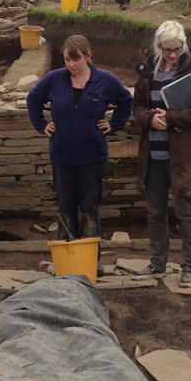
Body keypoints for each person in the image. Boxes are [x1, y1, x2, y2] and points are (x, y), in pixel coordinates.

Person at [131, 21, 191, 288]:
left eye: (177, 49)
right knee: (155, 212)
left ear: (184, 44)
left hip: (183, 155)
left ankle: (190, 267)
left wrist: (172, 118)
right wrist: (148, 119)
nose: (173, 55)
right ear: (158, 47)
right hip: (153, 155)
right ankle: (157, 264)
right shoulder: (147, 73)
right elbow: (137, 107)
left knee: (186, 212)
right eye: (167, 50)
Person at [26, 35, 133, 243]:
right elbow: (33, 99)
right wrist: (41, 124)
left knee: (89, 208)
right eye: (67, 60)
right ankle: (67, 258)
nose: (71, 65)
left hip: (92, 157)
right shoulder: (55, 79)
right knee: (65, 207)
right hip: (62, 155)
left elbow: (126, 101)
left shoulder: (105, 80)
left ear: (87, 55)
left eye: (76, 59)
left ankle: (90, 260)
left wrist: (113, 124)